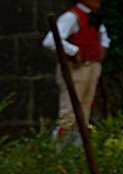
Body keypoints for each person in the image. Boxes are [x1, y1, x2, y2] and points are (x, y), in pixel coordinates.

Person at [42, 0, 110, 143]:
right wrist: (74, 51)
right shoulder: (72, 17)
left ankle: (77, 151)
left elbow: (103, 37)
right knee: (69, 112)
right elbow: (50, 40)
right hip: (76, 69)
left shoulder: (94, 17)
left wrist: (102, 49)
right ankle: (59, 151)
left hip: (92, 67)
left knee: (84, 113)